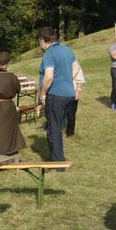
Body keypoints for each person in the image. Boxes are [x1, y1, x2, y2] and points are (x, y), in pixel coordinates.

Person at [37, 27, 80, 162]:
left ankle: (57, 163)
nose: (39, 45)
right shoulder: (68, 50)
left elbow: (49, 77)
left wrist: (43, 94)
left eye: (39, 42)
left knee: (53, 129)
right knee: (58, 127)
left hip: (56, 95)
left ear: (44, 40)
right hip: (69, 95)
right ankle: (59, 158)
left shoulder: (49, 54)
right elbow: (76, 69)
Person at [66, 62, 85, 137]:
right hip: (59, 92)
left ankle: (70, 133)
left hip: (72, 92)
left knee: (71, 114)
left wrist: (78, 91)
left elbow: (79, 79)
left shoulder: (75, 64)